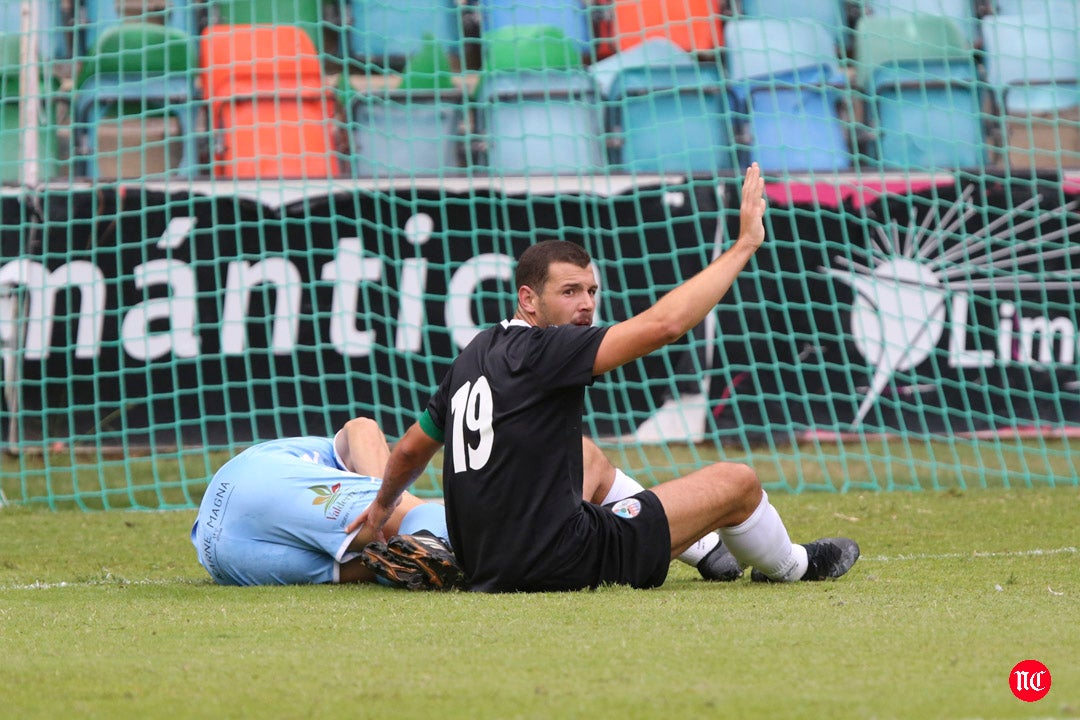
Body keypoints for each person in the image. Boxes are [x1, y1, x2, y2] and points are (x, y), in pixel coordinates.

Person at [349, 162, 859, 592]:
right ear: (528, 299)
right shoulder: (546, 349)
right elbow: (665, 326)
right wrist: (744, 245)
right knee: (737, 482)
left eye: (591, 291)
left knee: (584, 453)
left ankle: (707, 551)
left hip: (485, 563)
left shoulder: (474, 353)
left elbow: (411, 449)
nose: (586, 304)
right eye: (569, 292)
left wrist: (381, 508)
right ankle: (792, 566)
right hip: (559, 560)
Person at [190, 417, 458, 587]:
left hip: (221, 558)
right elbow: (362, 426)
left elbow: (362, 427)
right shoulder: (335, 456)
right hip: (255, 485)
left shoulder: (318, 457)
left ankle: (447, 554)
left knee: (383, 561)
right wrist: (385, 498)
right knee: (413, 524)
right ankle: (461, 546)